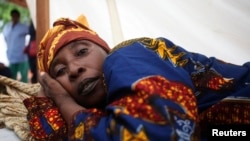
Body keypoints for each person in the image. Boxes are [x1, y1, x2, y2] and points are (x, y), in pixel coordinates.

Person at [23, 15, 250, 141]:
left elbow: (153, 135)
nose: (73, 70)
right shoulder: (108, 111)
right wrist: (51, 100)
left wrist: (64, 103)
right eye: (60, 71)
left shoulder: (127, 54)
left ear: (107, 50)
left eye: (82, 51)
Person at [2, 9, 29, 83]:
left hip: (22, 56)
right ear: (11, 16)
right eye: (13, 16)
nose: (14, 17)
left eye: (16, 16)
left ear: (18, 17)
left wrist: (27, 47)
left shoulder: (23, 27)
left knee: (24, 77)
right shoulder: (7, 27)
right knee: (12, 77)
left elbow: (32, 34)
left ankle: (26, 93)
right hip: (11, 55)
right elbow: (5, 38)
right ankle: (13, 94)